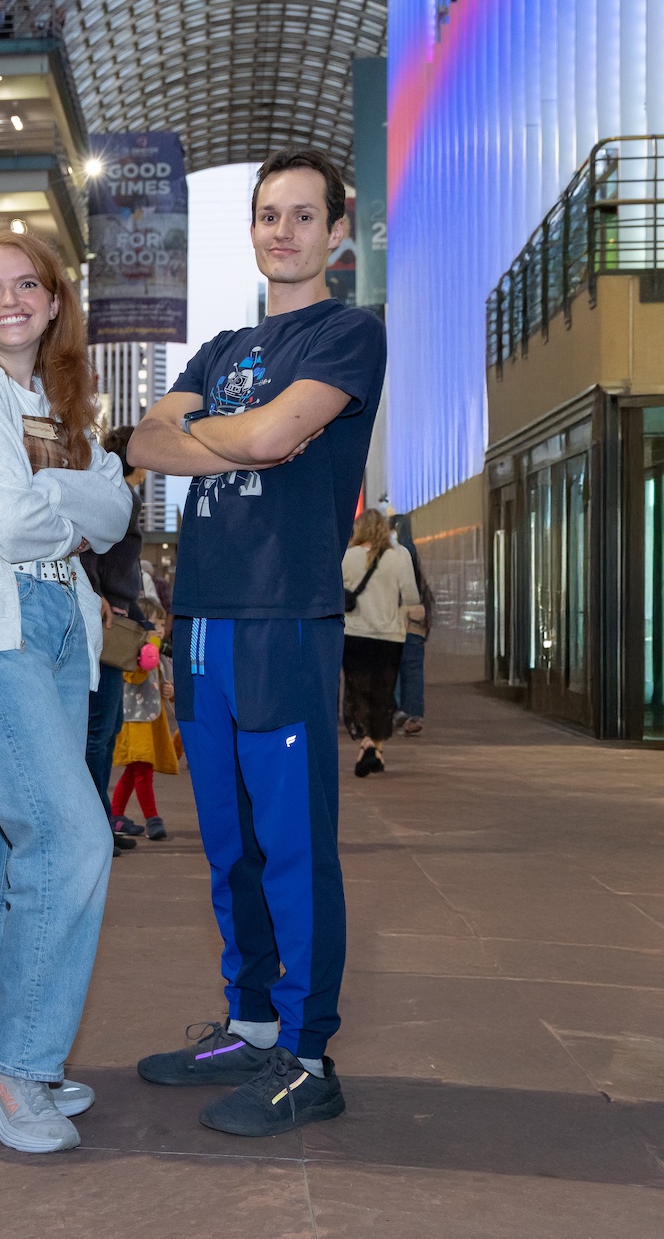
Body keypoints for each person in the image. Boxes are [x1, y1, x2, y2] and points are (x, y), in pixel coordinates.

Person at [127, 146, 386, 1138]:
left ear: (332, 232)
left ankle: (305, 1051)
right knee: (226, 841)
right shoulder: (220, 345)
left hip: (285, 615)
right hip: (200, 618)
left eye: (300, 215)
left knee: (292, 842)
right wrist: (245, 424)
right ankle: (246, 1021)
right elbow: (145, 440)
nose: (281, 231)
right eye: (266, 215)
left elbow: (278, 440)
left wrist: (234, 430)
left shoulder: (348, 333)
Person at [0, 231, 132, 1153]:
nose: (8, 300)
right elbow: (8, 522)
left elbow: (120, 513)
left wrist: (67, 497)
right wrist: (72, 501)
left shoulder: (65, 396)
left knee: (5, 857)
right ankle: (18, 1063)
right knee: (74, 837)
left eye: (27, 285)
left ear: (52, 302)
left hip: (57, 629)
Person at [81, 425, 150, 852]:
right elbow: (90, 549)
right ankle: (95, 824)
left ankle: (100, 818)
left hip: (115, 616)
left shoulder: (117, 493)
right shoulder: (118, 495)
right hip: (106, 620)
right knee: (99, 729)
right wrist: (98, 594)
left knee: (105, 728)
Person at [341, 508, 420, 777]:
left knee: (358, 691)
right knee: (383, 693)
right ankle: (376, 749)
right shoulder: (399, 556)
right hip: (389, 636)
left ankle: (366, 745)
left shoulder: (347, 556)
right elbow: (410, 595)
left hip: (354, 635)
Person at [110, 631, 177, 839]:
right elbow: (134, 674)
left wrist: (171, 691)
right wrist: (149, 649)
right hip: (135, 719)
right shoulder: (134, 650)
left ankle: (115, 816)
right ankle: (152, 819)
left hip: (151, 720)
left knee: (133, 771)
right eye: (153, 624)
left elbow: (165, 679)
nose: (158, 630)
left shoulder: (160, 654)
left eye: (160, 623)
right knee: (143, 770)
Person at [392, 512, 432, 734]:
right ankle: (414, 715)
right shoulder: (415, 554)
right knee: (414, 669)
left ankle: (399, 712)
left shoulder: (398, 554)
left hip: (398, 621)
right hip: (416, 621)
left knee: (396, 667)